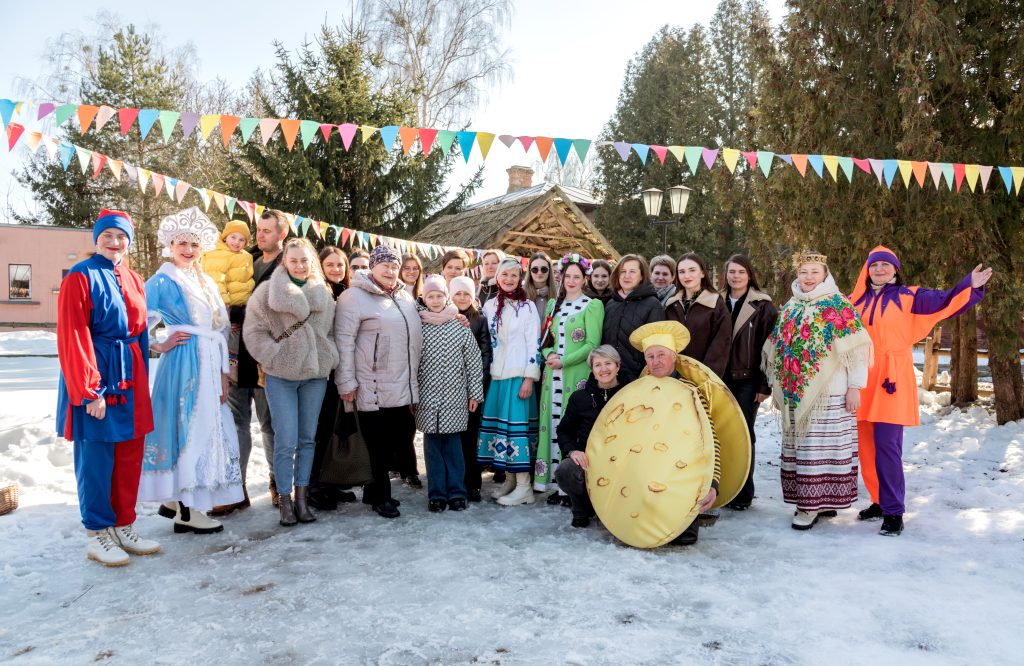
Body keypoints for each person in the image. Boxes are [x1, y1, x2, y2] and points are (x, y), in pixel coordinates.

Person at [850, 246, 991, 536]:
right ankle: (877, 500)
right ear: (867, 269)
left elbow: (944, 301)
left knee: (888, 445)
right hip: (862, 377)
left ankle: (893, 511)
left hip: (891, 377)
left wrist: (968, 285)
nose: (879, 269)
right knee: (866, 445)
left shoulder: (910, 296)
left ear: (895, 270)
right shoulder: (856, 300)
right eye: (874, 265)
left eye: (885, 265)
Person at [56, 209, 159, 566]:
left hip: (131, 376)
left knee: (129, 453)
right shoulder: (80, 277)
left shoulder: (135, 278)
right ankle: (97, 532)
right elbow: (73, 334)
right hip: (97, 374)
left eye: (121, 237)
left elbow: (140, 331)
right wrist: (89, 390)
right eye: (107, 236)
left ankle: (123, 524)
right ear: (96, 239)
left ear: (129, 241)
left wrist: (142, 375)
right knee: (97, 457)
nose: (115, 243)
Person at [141, 208, 244, 535]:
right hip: (184, 363)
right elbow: (135, 320)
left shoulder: (206, 280)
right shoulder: (162, 279)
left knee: (208, 428)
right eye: (181, 243)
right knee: (189, 429)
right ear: (170, 244)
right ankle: (188, 507)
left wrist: (224, 373)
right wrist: (158, 343)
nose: (188, 249)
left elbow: (221, 329)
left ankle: (178, 500)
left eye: (194, 244)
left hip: (208, 361)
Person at [764, 251, 872, 531]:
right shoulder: (791, 306)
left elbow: (857, 351)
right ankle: (816, 502)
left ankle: (810, 506)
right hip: (795, 392)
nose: (808, 277)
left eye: (814, 272)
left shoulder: (837, 304)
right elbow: (779, 347)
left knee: (818, 448)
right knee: (802, 448)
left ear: (825, 274)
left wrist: (855, 387)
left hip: (830, 393)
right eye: (803, 272)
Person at [244, 238, 339, 527]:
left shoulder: (323, 292)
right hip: (281, 376)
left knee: (307, 438)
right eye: (293, 259)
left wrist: (328, 356)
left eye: (304, 260)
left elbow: (331, 332)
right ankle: (284, 500)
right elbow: (254, 333)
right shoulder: (266, 292)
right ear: (285, 261)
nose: (299, 264)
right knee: (285, 440)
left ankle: (302, 497)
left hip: (315, 375)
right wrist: (274, 355)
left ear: (312, 263)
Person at [335, 244, 423, 519]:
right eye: (384, 265)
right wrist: (346, 382)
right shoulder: (353, 297)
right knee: (377, 443)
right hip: (371, 382)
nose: (390, 270)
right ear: (372, 266)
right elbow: (344, 342)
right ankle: (381, 496)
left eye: (395, 266)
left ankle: (374, 492)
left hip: (402, 382)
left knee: (396, 439)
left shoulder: (405, 296)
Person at [223, 209, 286, 514]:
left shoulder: (287, 265)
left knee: (269, 423)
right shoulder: (244, 259)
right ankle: (237, 486)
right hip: (236, 352)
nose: (261, 235)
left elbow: (277, 308)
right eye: (259, 230)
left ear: (281, 235)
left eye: (268, 231)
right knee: (236, 423)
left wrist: (234, 314)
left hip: (267, 355)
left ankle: (278, 483)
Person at [536, 254, 605, 503]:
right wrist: (549, 354)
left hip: (575, 374)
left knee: (571, 426)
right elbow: (545, 340)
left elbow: (592, 343)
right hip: (551, 376)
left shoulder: (592, 305)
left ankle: (572, 488)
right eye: (568, 276)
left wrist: (564, 361)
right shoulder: (555, 305)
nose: (572, 281)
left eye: (577, 276)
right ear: (562, 278)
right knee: (552, 426)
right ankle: (555, 484)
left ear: (584, 279)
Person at [417, 276, 485, 512]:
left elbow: (474, 362)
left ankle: (457, 492)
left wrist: (475, 393)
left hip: (455, 397)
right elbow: (412, 362)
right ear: (424, 299)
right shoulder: (419, 326)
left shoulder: (459, 325)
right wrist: (412, 396)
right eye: (430, 296)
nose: (435, 301)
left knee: (455, 448)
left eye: (439, 296)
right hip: (427, 397)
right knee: (433, 448)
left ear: (446, 297)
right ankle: (436, 493)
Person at [478, 257, 542, 506]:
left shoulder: (526, 307)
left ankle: (525, 486)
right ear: (497, 277)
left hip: (518, 377)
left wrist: (529, 377)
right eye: (504, 275)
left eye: (514, 275)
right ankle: (511, 481)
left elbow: (533, 344)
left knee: (516, 431)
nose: (508, 279)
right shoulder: (490, 305)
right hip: (498, 375)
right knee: (502, 431)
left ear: (520, 278)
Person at [720, 254, 778, 511]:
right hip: (719, 377)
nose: (735, 276)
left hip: (747, 379)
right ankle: (721, 488)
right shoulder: (717, 301)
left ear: (749, 275)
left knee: (743, 435)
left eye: (741, 272)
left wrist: (764, 384)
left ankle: (743, 492)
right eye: (732, 272)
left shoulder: (763, 305)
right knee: (719, 433)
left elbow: (770, 348)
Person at [553, 345, 625, 527]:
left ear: (618, 366)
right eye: (598, 365)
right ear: (592, 369)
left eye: (608, 363)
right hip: (590, 459)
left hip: (623, 460)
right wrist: (572, 451)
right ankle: (582, 508)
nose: (603, 369)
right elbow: (564, 430)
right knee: (566, 470)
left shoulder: (630, 394)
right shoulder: (579, 398)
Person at [308, 246, 356, 510]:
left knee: (334, 429)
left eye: (341, 265)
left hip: (341, 371)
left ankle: (330, 482)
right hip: (321, 371)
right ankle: (313, 487)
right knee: (318, 430)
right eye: (331, 265)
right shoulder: (318, 292)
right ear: (321, 267)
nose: (337, 269)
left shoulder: (345, 294)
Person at [451, 276, 492, 502]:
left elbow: (485, 354)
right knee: (452, 439)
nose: (462, 297)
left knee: (469, 439)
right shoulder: (443, 317)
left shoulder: (479, 320)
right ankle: (454, 482)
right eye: (457, 293)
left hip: (472, 391)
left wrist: (476, 388)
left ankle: (472, 484)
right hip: (449, 389)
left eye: (466, 293)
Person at [665, 252, 731, 379]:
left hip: (704, 377)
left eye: (692, 270)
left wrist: (705, 377)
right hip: (674, 377)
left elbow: (721, 345)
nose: (687, 275)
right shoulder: (671, 305)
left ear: (702, 273)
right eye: (682, 271)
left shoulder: (716, 304)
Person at [601, 254, 664, 382]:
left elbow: (655, 345)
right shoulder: (611, 303)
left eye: (632, 272)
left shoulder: (652, 304)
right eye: (623, 271)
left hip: (637, 376)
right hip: (609, 375)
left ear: (641, 276)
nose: (626, 276)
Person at [202, 219, 255, 309]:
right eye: (233, 237)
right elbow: (216, 280)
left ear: (245, 243)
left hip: (243, 307)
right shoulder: (217, 253)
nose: (236, 242)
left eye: (241, 240)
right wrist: (224, 302)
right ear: (225, 237)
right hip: (223, 305)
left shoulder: (247, 257)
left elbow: (248, 278)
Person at [524, 252, 555, 323]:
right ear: (530, 271)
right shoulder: (520, 294)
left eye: (544, 269)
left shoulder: (557, 294)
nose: (539, 273)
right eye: (535, 269)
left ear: (549, 271)